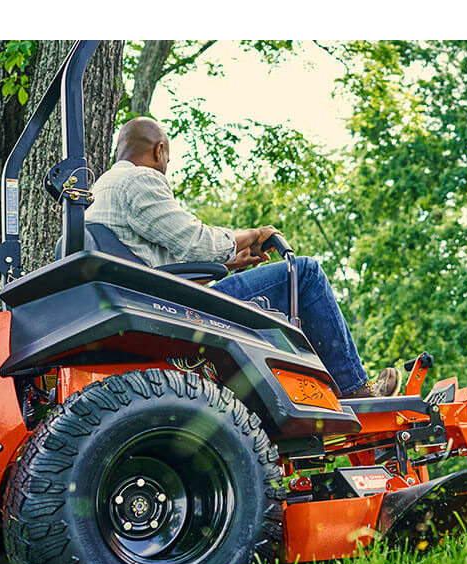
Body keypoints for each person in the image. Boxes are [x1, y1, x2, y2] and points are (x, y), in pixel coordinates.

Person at [84, 117, 400, 399]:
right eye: (167, 158)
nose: (166, 165)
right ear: (159, 150)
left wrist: (226, 264)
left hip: (146, 305)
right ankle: (355, 390)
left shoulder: (97, 194)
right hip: (175, 312)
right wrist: (251, 234)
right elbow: (197, 243)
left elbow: (151, 265)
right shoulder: (140, 179)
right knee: (303, 273)